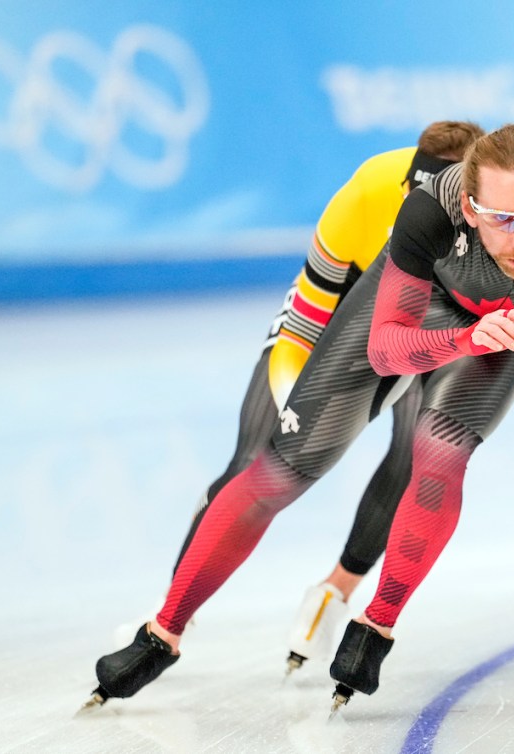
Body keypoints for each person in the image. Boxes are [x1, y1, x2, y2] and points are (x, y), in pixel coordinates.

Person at [85, 124, 514, 712]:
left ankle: (374, 629)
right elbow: (385, 350)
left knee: (438, 454)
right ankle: (163, 632)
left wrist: (485, 335)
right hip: (420, 311)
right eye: (502, 219)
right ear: (468, 207)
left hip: (512, 324)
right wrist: (464, 338)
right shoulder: (427, 215)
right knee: (282, 468)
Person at [159, 121, 485, 674]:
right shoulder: (364, 194)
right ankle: (173, 611)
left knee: (415, 447)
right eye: (415, 199)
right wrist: (295, 408)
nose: (422, 216)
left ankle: (335, 590)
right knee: (256, 459)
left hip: (422, 319)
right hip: (343, 311)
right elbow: (302, 328)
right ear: (405, 183)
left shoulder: (492, 221)